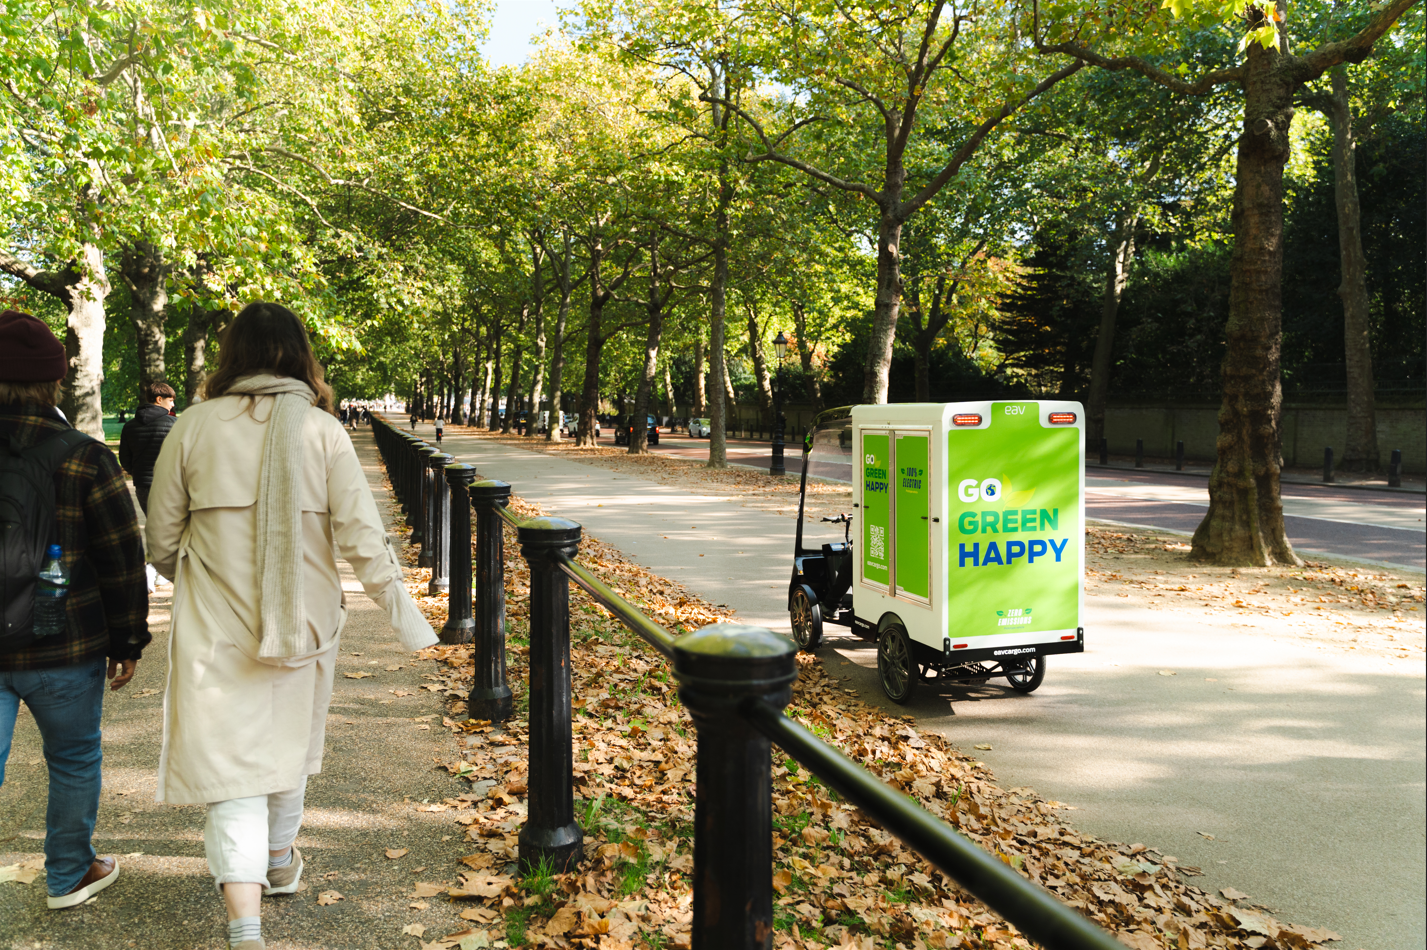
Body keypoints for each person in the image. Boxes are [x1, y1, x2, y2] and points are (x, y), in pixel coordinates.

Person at [145, 302, 436, 950]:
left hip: (216, 627)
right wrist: (410, 623)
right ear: (301, 355)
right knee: (288, 753)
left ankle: (245, 925)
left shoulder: (192, 427)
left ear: (232, 355)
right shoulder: (322, 432)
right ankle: (278, 860)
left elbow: (160, 538)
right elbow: (365, 542)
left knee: (232, 771)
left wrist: (201, 573)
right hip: (303, 625)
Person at [0, 309, 149, 911]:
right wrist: (128, 640)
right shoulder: (87, 457)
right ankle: (68, 874)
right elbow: (121, 558)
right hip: (62, 642)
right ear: (54, 381)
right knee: (73, 757)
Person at [119, 380, 178, 591]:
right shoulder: (173, 424)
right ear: (159, 399)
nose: (173, 405)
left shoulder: (129, 426)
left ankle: (159, 571)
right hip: (168, 484)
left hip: (143, 484)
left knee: (156, 526)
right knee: (170, 528)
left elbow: (125, 459)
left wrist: (139, 473)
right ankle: (152, 569)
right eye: (171, 400)